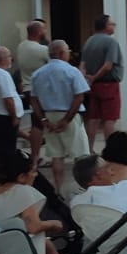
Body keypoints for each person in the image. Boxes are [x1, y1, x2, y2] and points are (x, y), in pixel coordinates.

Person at [0, 150, 64, 254]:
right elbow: (33, 227)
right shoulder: (22, 191)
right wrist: (54, 224)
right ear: (22, 177)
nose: (36, 175)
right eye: (33, 171)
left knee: (47, 245)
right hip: (11, 252)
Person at [31, 40, 91, 188]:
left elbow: (34, 99)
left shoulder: (38, 73)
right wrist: (67, 119)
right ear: (62, 53)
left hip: (49, 114)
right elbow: (79, 97)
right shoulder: (71, 71)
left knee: (56, 155)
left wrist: (43, 119)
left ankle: (58, 187)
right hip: (68, 114)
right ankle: (83, 186)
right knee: (80, 154)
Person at [81, 15, 124, 153]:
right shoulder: (111, 42)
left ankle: (89, 148)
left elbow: (82, 64)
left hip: (94, 86)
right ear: (106, 26)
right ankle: (110, 149)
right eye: (112, 24)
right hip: (108, 83)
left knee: (93, 118)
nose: (114, 26)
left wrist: (87, 78)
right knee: (109, 118)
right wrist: (94, 77)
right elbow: (108, 65)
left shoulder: (89, 41)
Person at [15, 20, 49, 97]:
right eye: (44, 29)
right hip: (41, 90)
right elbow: (55, 66)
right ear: (39, 32)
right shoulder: (43, 49)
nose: (46, 31)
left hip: (27, 89)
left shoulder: (21, 46)